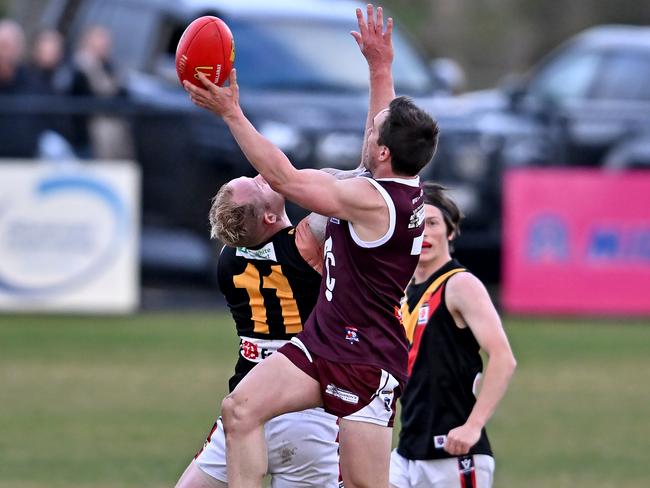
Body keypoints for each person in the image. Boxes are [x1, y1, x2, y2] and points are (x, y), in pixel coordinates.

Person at [184, 5, 439, 487]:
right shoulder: (392, 178)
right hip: (322, 344)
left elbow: (282, 177)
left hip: (367, 358)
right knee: (239, 410)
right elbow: (381, 126)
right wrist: (380, 66)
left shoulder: (372, 201)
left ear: (383, 152)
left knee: (366, 485)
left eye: (374, 134)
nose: (367, 133)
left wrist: (231, 113)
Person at [175, 174, 342, 488]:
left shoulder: (227, 261)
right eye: (261, 185)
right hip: (306, 414)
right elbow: (348, 186)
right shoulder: (306, 241)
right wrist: (292, 176)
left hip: (246, 405)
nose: (262, 175)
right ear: (269, 216)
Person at [390, 183, 516, 488]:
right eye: (417, 224)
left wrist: (472, 428)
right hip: (407, 451)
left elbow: (503, 358)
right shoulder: (406, 293)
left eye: (433, 223)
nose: (425, 233)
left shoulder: (459, 285)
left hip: (453, 455)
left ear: (450, 231)